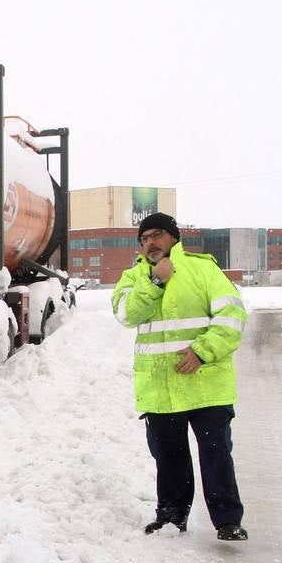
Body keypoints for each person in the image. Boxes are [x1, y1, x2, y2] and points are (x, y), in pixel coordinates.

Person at [111, 212, 249, 541]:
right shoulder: (134, 277)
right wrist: (155, 282)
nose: (150, 243)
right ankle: (172, 515)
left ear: (174, 237)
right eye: (144, 239)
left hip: (206, 384)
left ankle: (228, 520)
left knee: (215, 454)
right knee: (169, 457)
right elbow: (126, 314)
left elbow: (232, 315)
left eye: (157, 235)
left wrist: (202, 351)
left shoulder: (203, 270)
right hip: (160, 388)